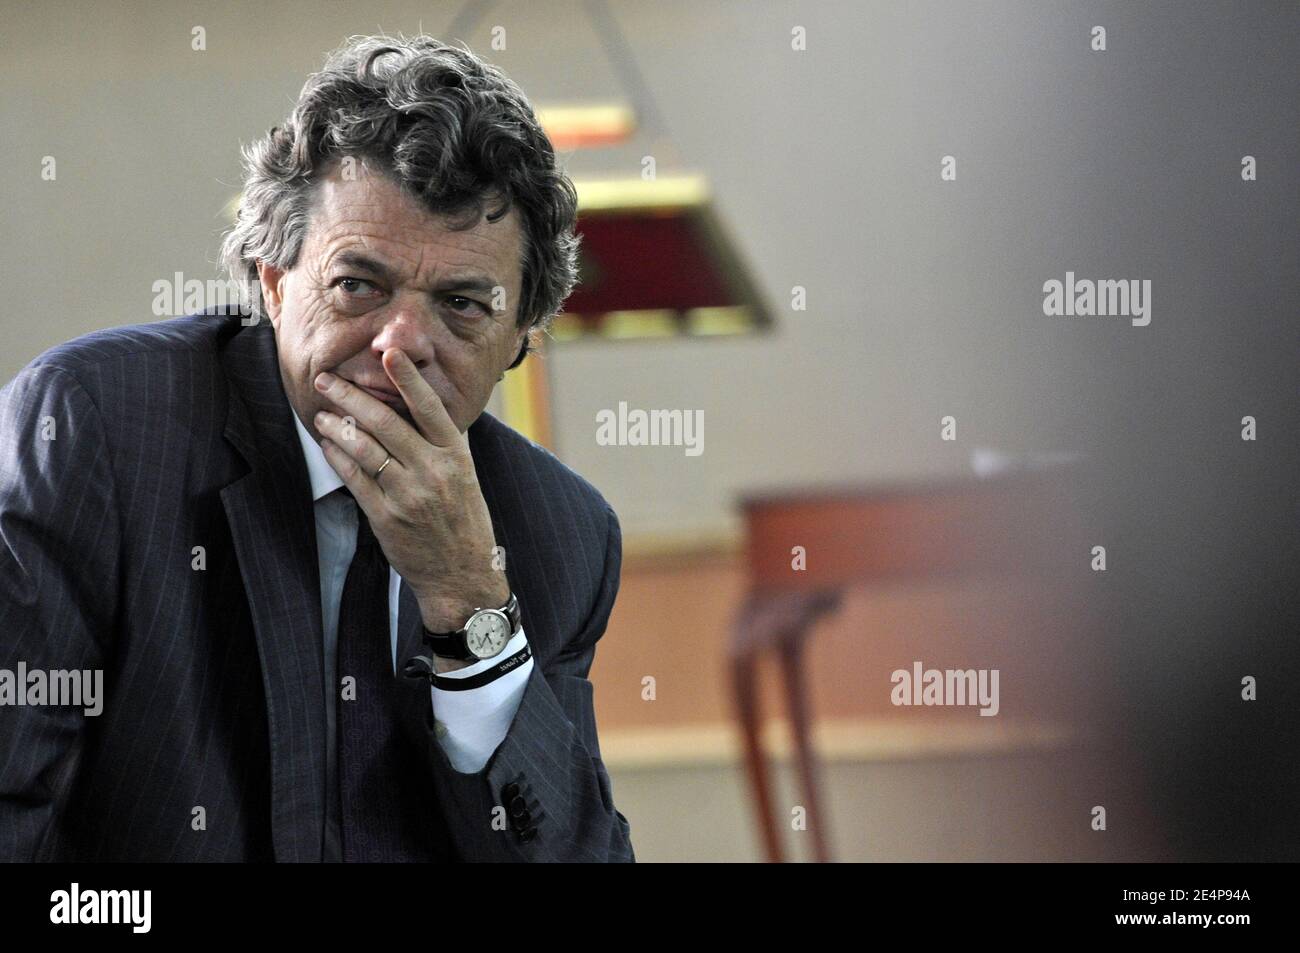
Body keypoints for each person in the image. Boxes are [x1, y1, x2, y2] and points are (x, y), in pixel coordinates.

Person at [0, 34, 634, 862]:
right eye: (358, 286)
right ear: (271, 280)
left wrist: (470, 600)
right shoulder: (96, 429)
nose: (399, 347)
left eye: (463, 304)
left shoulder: (563, 534)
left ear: (522, 335)